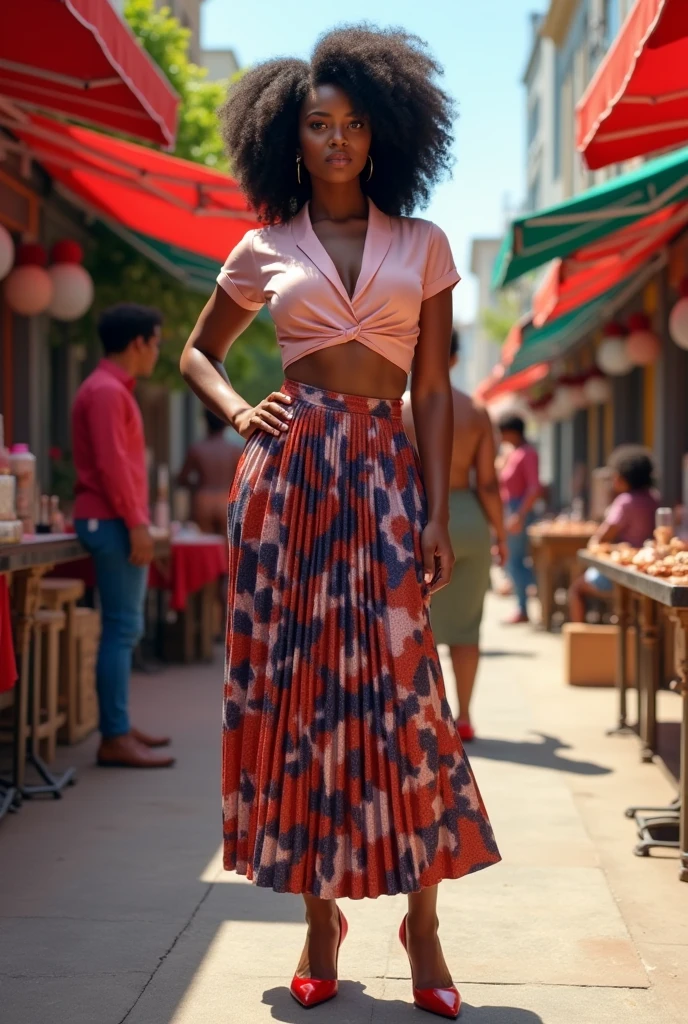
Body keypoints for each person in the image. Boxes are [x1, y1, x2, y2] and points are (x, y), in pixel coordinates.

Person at [180, 26, 499, 1019]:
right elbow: (198, 351)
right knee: (301, 701)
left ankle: (425, 923)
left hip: (388, 474)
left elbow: (436, 384)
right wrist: (240, 412)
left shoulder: (424, 244)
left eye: (354, 125)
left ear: (384, 134)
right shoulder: (262, 246)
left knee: (409, 703)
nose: (336, 140)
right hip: (289, 480)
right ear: (290, 138)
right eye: (318, 125)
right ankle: (319, 921)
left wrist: (438, 501)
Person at [72, 304, 175, 769]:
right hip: (113, 522)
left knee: (121, 626)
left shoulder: (106, 389)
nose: (156, 352)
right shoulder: (108, 392)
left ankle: (119, 725)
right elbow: (114, 466)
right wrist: (137, 524)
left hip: (112, 519)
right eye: (155, 343)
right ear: (138, 342)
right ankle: (113, 735)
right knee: (122, 627)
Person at [403, 329, 507, 742]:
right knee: (466, 629)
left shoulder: (399, 408)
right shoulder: (477, 410)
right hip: (467, 519)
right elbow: (488, 484)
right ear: (456, 359)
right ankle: (464, 717)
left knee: (410, 625)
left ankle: (420, 719)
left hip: (416, 516)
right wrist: (499, 533)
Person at [570, 448, 660, 622]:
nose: (613, 480)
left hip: (624, 574)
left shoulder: (624, 501)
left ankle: (580, 637)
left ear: (625, 476)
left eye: (615, 475)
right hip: (647, 569)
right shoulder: (654, 498)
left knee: (576, 589)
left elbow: (601, 538)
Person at [498, 414, 541, 624]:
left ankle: (523, 607)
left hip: (518, 509)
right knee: (511, 561)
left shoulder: (527, 453)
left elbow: (534, 488)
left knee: (515, 561)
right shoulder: (513, 453)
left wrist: (519, 515)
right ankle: (523, 604)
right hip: (510, 507)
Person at [177, 408, 243, 533]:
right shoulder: (234, 450)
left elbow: (182, 478)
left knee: (206, 545)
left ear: (205, 422)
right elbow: (243, 479)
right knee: (226, 548)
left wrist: (197, 485)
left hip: (204, 499)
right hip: (226, 499)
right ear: (225, 423)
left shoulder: (197, 449)